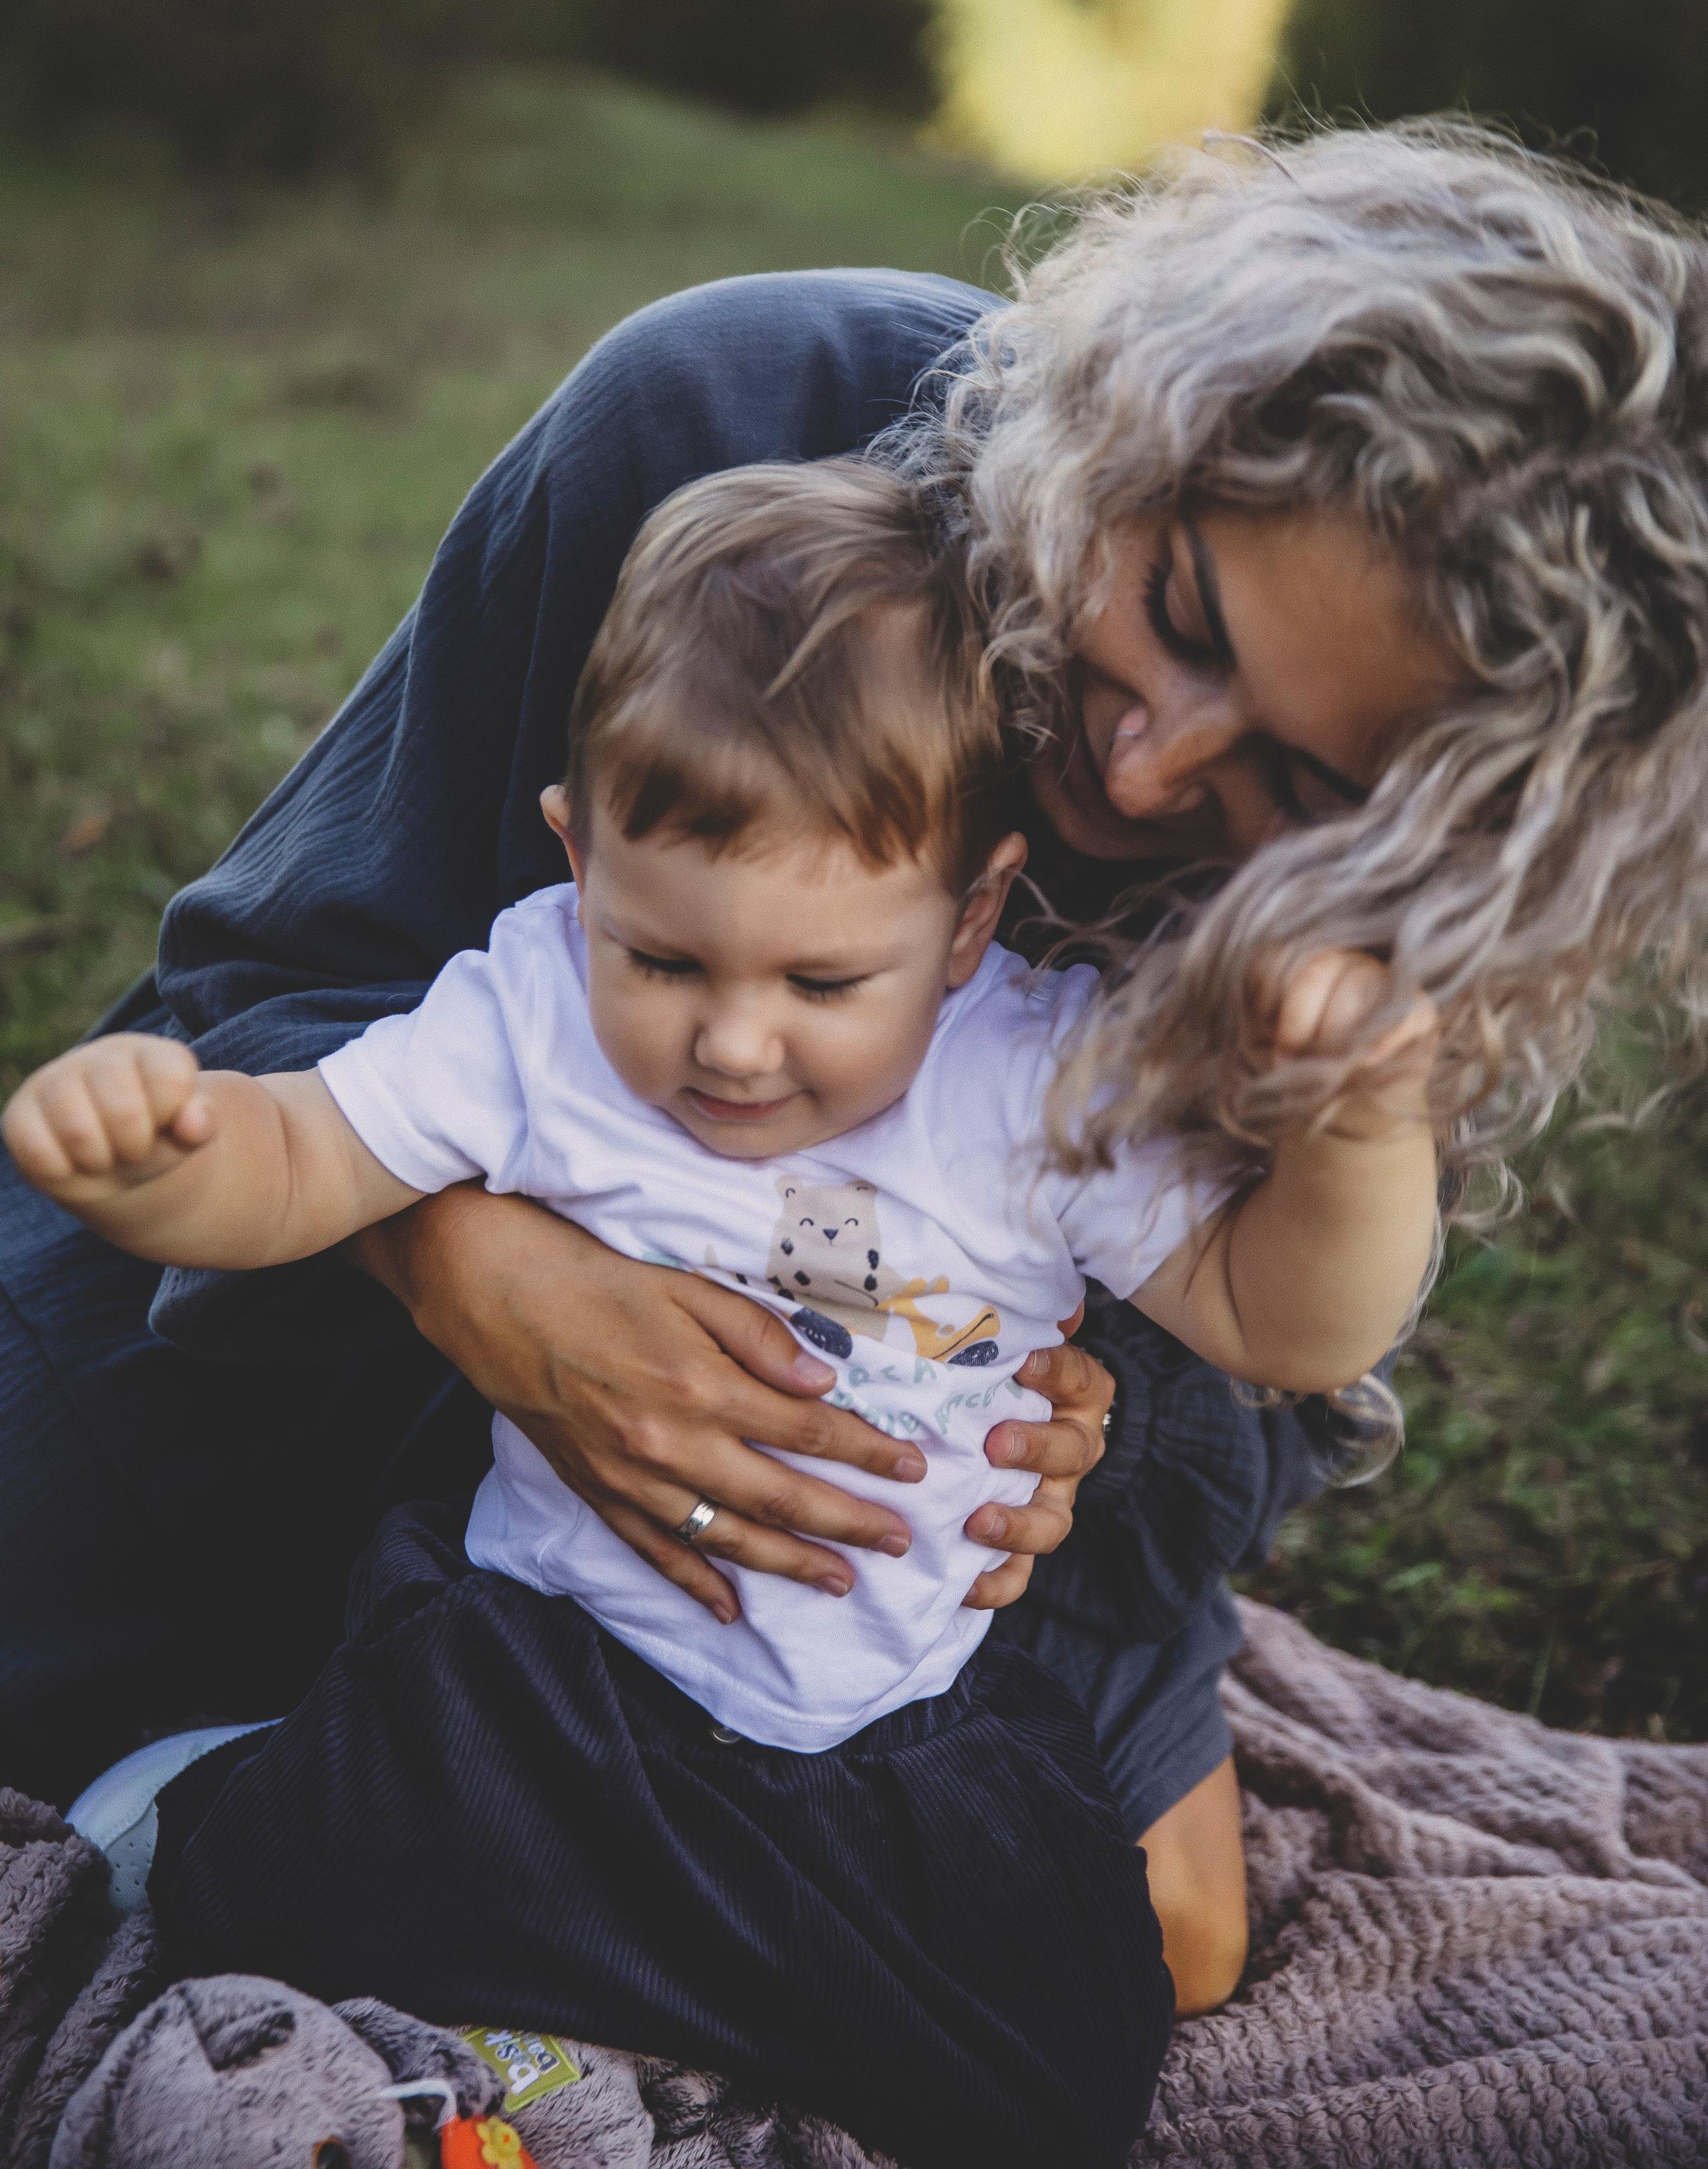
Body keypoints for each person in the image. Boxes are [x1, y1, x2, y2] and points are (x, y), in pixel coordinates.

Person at [8, 119, 1704, 2030]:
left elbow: (1276, 1370)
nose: (1152, 776)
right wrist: (473, 1272)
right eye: (1177, 614)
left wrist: (1087, 1434)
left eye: (1295, 785)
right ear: (1143, 428)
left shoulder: (1406, 909)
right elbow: (273, 976)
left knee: (1156, 1957)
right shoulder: (728, 427)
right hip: (344, 1301)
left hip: (899, 1463)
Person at [5, 462, 1442, 2169]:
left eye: (823, 984)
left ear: (973, 915)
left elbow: (1284, 1328)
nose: (735, 1045)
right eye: (667, 960)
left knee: (1059, 2053)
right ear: (577, 848)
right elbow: (300, 1163)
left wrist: (1360, 1126)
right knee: (345, 1870)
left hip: (888, 1723)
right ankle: (216, 1814)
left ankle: (645, 2048)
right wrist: (157, 1155)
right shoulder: (535, 1006)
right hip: (551, 1666)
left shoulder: (1034, 1077)